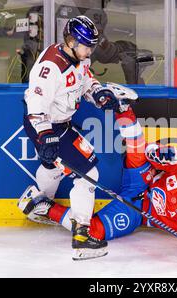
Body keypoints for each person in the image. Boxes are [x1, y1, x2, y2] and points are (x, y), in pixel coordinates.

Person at [18, 104, 177, 256]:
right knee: (137, 151)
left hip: (140, 214)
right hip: (142, 182)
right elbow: (151, 151)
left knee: (93, 232)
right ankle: (123, 109)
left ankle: (42, 205)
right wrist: (157, 152)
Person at [21, 15, 139, 261]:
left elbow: (85, 80)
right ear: (72, 41)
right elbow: (35, 104)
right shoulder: (50, 67)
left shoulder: (79, 57)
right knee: (90, 173)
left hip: (59, 125)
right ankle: (82, 237)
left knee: (53, 167)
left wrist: (97, 93)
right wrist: (46, 136)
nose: (91, 50)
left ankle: (36, 202)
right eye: (87, 45)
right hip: (46, 125)